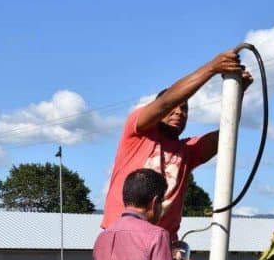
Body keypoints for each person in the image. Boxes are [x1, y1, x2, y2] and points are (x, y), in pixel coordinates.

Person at [101, 48, 253, 241]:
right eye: (175, 106)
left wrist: (236, 94)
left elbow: (224, 136)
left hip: (163, 242)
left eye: (185, 109)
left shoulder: (186, 151)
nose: (179, 112)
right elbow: (166, 102)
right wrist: (212, 68)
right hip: (124, 236)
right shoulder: (138, 131)